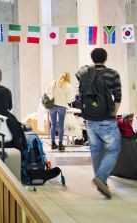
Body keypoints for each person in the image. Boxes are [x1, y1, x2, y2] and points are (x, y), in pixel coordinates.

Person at [75, 48, 122, 199]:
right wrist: (112, 114)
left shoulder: (84, 75)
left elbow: (79, 96)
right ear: (106, 58)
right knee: (113, 149)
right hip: (106, 118)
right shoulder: (112, 74)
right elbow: (118, 97)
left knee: (95, 150)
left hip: (89, 119)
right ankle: (101, 178)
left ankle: (101, 182)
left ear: (92, 58)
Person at [47, 72, 74, 151]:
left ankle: (52, 144)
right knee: (61, 126)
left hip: (52, 106)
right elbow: (69, 100)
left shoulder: (53, 83)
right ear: (68, 78)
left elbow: (47, 92)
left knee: (53, 125)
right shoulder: (68, 86)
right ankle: (60, 144)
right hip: (62, 107)